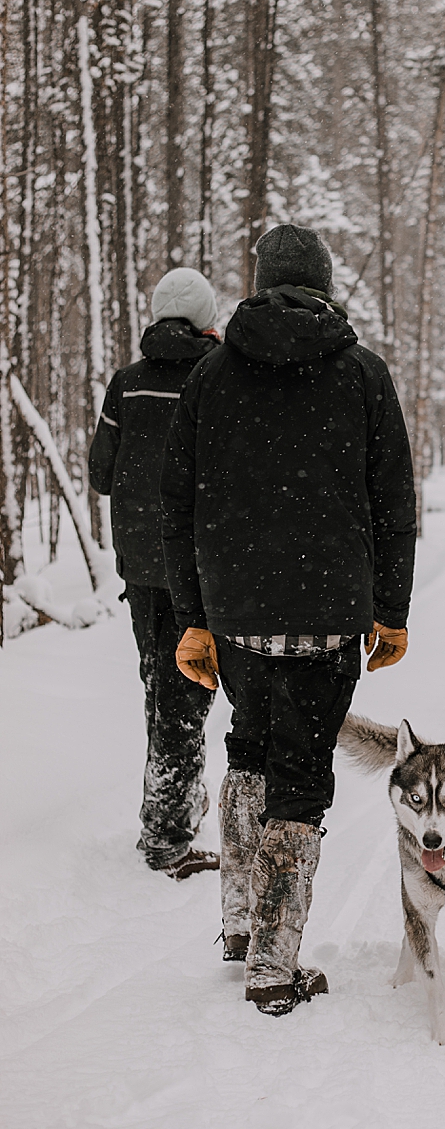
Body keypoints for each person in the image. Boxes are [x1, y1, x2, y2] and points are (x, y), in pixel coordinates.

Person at [159, 224, 416, 1017]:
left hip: (237, 618)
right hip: (328, 614)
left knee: (248, 746)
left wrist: (194, 619)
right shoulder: (363, 375)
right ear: (325, 284)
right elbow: (392, 504)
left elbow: (179, 505)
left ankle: (239, 923)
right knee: (301, 775)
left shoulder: (209, 376)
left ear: (260, 283)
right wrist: (390, 612)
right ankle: (273, 964)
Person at [88, 268, 221, 879]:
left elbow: (99, 472)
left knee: (160, 685)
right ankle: (168, 835)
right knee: (188, 692)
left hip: (140, 564)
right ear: (203, 317)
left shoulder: (127, 384)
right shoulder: (218, 378)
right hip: (199, 564)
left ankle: (177, 803)